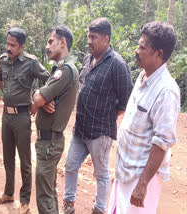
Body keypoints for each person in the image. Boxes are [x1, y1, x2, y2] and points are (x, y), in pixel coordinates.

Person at [62, 17, 133, 214]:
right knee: (70, 165)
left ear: (106, 39)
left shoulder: (117, 65)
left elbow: (126, 100)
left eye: (94, 37)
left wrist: (107, 116)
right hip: (80, 128)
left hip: (100, 133)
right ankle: (69, 204)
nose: (89, 41)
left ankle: (99, 209)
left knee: (101, 175)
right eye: (88, 36)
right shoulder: (88, 58)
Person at [107, 21, 180, 214]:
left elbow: (162, 141)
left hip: (141, 177)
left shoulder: (166, 91)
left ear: (159, 54)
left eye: (142, 47)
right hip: (127, 172)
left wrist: (142, 184)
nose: (137, 50)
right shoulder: (142, 77)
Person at [0, 27, 50, 214]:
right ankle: (8, 193)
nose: (9, 48)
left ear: (22, 46)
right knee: (7, 157)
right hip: (6, 116)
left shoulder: (31, 63)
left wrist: (38, 102)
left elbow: (49, 79)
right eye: (7, 44)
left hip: (22, 117)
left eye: (13, 45)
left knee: (24, 160)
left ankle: (24, 201)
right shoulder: (3, 60)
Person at [32, 25, 79, 214]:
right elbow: (40, 100)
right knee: (49, 190)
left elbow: (37, 99)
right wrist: (42, 100)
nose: (47, 46)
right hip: (50, 141)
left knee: (44, 195)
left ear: (63, 42)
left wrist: (39, 98)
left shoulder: (65, 70)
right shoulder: (62, 69)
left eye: (50, 41)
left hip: (49, 142)